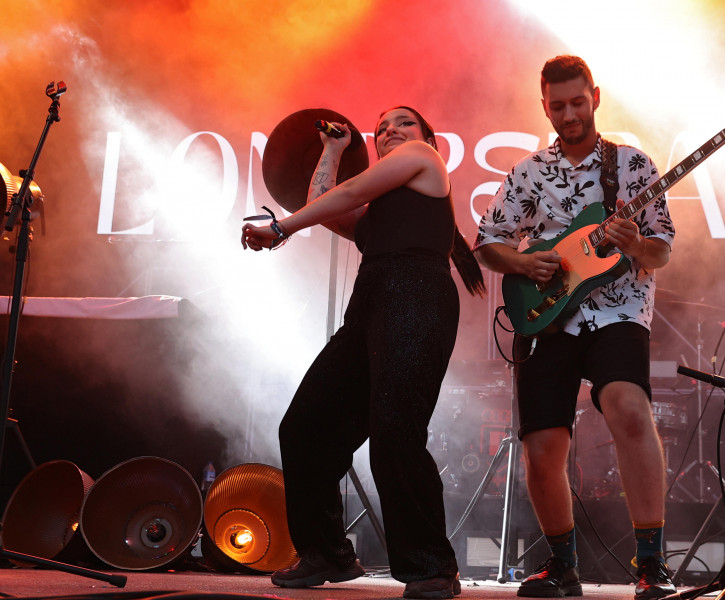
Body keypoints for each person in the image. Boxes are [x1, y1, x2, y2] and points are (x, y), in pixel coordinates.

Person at [241, 106, 484, 599]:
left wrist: (282, 229)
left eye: (402, 122)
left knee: (395, 430)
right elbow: (330, 201)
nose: (389, 130)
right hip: (371, 304)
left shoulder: (424, 159)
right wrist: (333, 149)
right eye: (380, 129)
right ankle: (327, 552)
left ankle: (432, 566)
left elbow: (348, 192)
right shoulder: (378, 212)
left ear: (427, 139)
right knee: (306, 426)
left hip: (417, 295)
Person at [473, 56, 677, 599]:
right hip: (546, 318)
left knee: (628, 409)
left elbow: (660, 250)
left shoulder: (632, 166)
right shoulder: (528, 172)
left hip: (617, 311)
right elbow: (487, 242)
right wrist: (522, 264)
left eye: (577, 102)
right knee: (542, 444)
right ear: (545, 105)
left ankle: (651, 564)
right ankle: (562, 566)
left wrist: (635, 245)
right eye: (557, 105)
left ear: (595, 97)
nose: (569, 113)